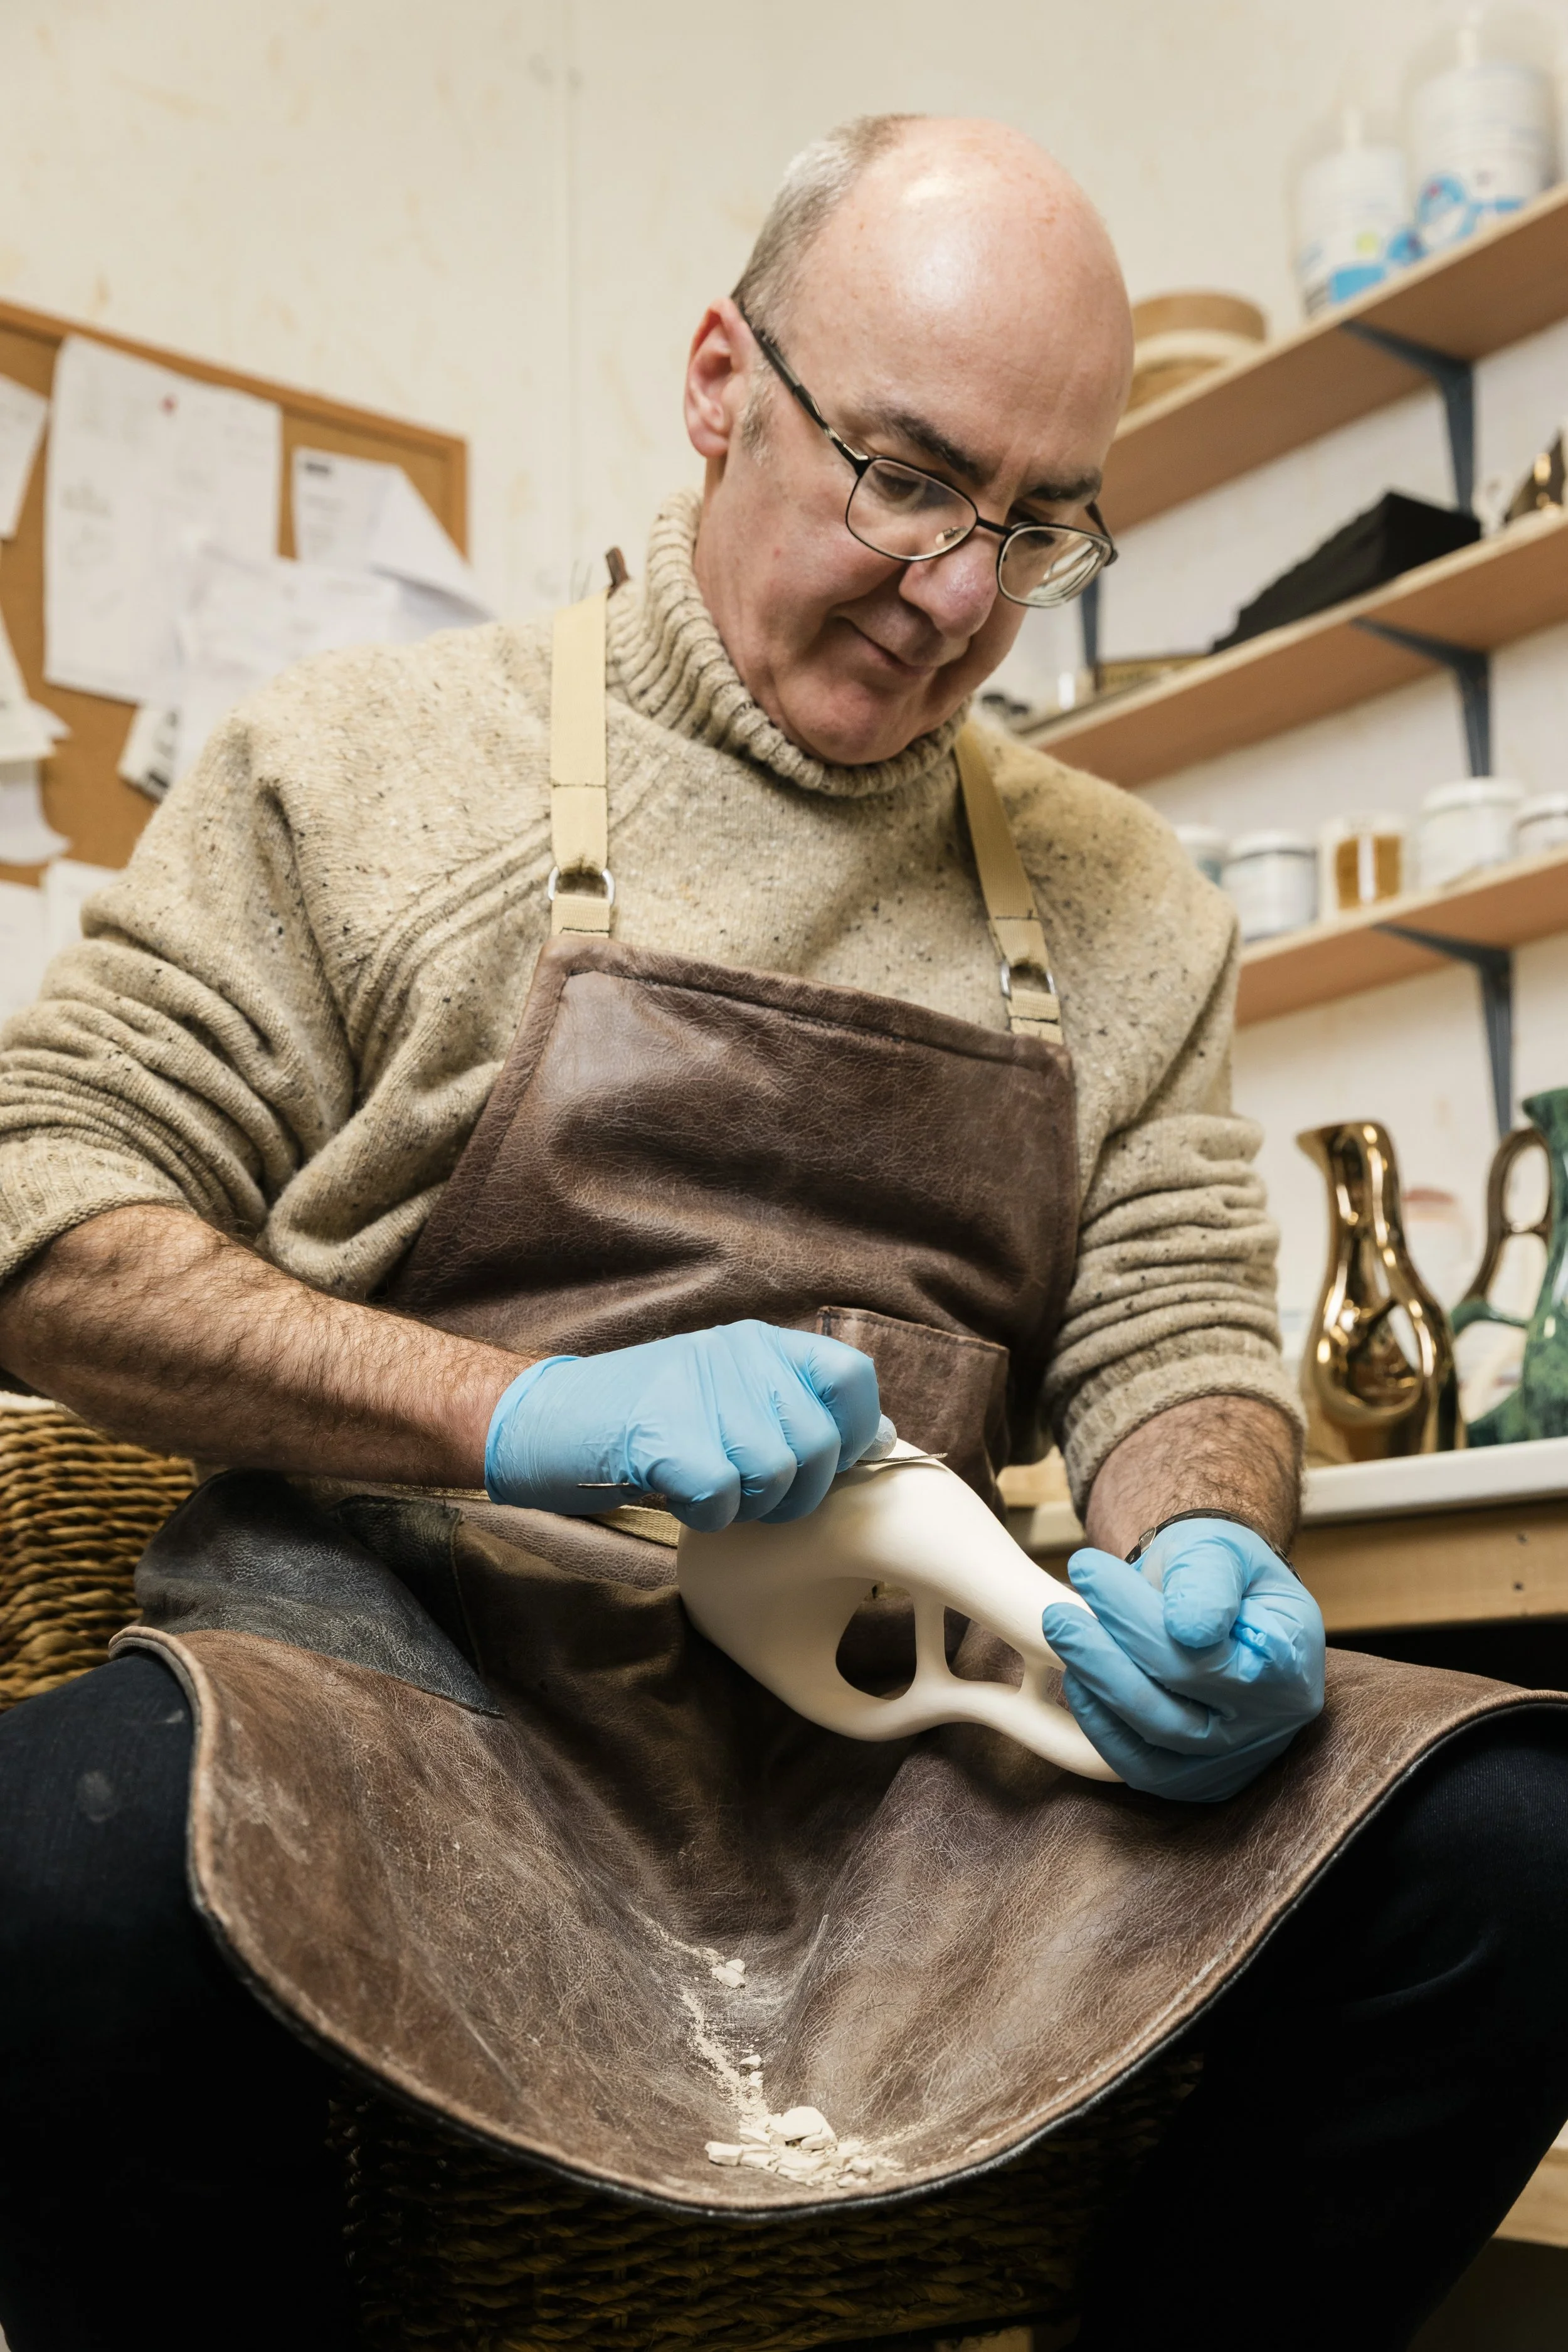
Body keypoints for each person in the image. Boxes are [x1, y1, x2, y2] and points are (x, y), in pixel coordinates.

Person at [0, 113, 1563, 2352]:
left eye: (1036, 525)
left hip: (916, 1785)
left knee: (1514, 1837)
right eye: (908, 475)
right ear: (722, 377)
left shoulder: (1124, 898)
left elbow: (1175, 1321)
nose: (955, 588)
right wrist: (519, 1409)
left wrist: (1201, 1543)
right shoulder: (358, 767)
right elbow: (45, 1210)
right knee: (43, 1874)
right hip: (408, 1722)